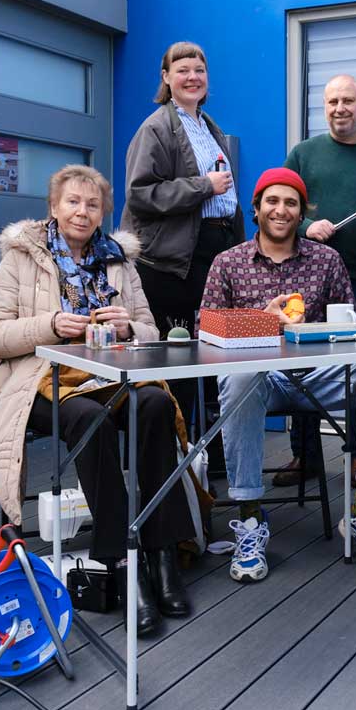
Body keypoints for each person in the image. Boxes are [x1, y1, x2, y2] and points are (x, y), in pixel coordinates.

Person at [0, 164, 195, 635]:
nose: (83, 210)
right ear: (53, 207)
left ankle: (162, 555)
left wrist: (126, 327)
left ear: (103, 213)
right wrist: (50, 325)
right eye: (73, 201)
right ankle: (122, 562)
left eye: (93, 204)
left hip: (111, 376)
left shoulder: (120, 259)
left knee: (155, 405)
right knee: (90, 418)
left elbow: (150, 332)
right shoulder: (21, 256)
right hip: (40, 380)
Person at [201, 168, 356, 582]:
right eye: (272, 202)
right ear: (255, 209)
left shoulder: (326, 259)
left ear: (301, 212)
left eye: (291, 203)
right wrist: (263, 321)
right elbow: (206, 331)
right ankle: (251, 521)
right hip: (261, 382)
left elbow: (351, 329)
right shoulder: (228, 263)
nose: (281, 210)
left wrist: (322, 333)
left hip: (318, 377)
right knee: (239, 378)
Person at [276, 74, 356, 486]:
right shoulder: (303, 154)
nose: (339, 109)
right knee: (301, 367)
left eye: (348, 101)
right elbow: (277, 206)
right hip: (306, 278)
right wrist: (308, 225)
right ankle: (306, 456)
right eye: (332, 101)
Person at [121, 41, 243, 450]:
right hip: (171, 264)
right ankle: (172, 452)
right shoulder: (156, 127)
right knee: (177, 360)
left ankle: (211, 456)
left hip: (214, 254)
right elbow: (140, 193)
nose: (193, 77)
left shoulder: (211, 128)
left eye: (200, 70)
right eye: (183, 70)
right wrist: (201, 186)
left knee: (213, 356)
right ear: (166, 78)